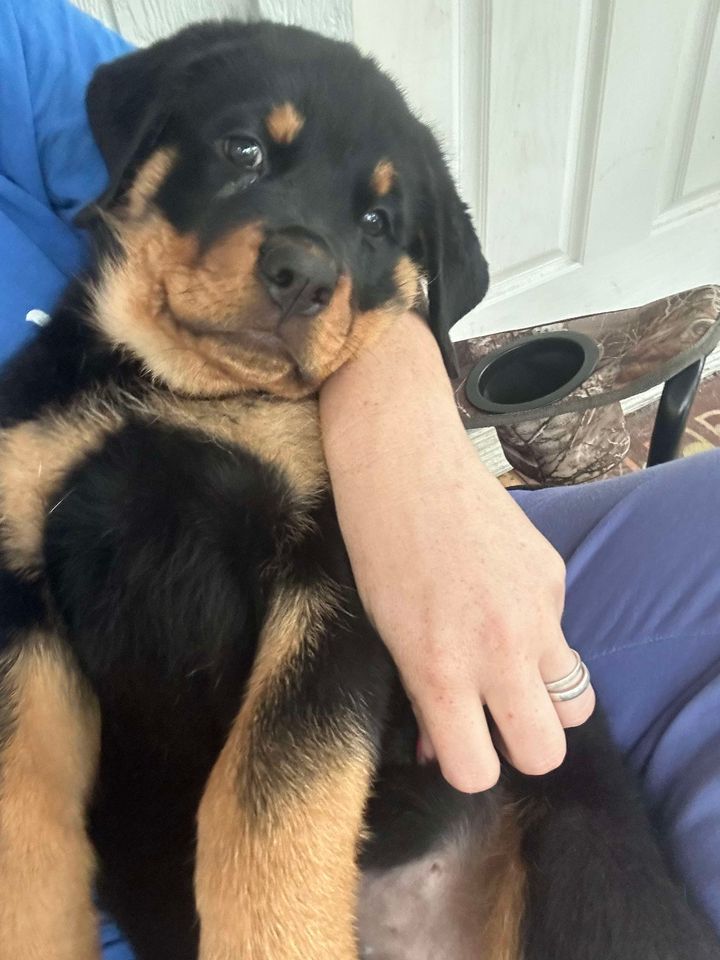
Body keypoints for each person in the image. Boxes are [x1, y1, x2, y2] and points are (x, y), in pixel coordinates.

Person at [1, 1, 718, 956]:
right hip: (169, 871)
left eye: (374, 221)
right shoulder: (41, 420)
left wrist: (414, 446)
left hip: (469, 812)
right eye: (248, 157)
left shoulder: (25, 50)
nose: (305, 258)